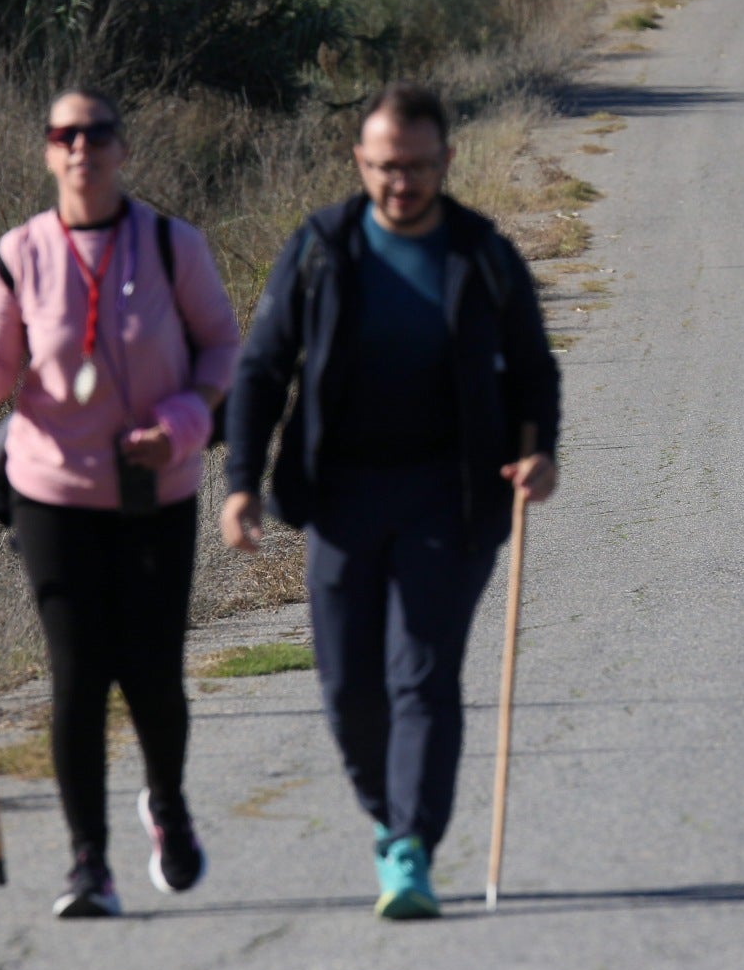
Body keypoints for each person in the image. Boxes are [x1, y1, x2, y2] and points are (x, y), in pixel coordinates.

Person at [221, 82, 561, 921]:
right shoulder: (320, 248)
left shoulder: (482, 255)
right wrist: (238, 484)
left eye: (416, 166)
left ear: (445, 161)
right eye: (384, 167)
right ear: (359, 163)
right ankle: (384, 812)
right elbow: (261, 371)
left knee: (423, 674)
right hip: (340, 499)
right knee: (346, 689)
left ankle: (410, 845)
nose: (400, 183)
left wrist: (538, 450)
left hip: (452, 498)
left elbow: (532, 368)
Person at [0, 89, 241, 918]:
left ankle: (168, 804)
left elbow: (221, 344)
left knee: (152, 674)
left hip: (158, 487)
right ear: (49, 152)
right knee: (78, 678)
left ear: (120, 148)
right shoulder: (21, 252)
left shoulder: (169, 243)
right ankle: (88, 867)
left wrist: (183, 423)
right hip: (53, 493)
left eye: (97, 133)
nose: (82, 147)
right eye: (65, 135)